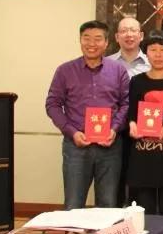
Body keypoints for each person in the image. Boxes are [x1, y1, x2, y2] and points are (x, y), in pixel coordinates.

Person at [46, 20, 130, 209]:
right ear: (80, 40)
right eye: (86, 38)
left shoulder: (118, 70)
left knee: (108, 204)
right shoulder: (65, 71)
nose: (92, 43)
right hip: (76, 146)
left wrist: (115, 129)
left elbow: (126, 104)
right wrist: (72, 132)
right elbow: (52, 104)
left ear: (106, 43)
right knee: (73, 204)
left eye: (98, 39)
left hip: (110, 147)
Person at [126, 30, 163, 216]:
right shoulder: (136, 81)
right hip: (144, 156)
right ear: (146, 52)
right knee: (145, 210)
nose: (158, 55)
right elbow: (131, 113)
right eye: (153, 50)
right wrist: (132, 125)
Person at [108, 16, 150, 207]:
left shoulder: (152, 63)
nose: (129, 35)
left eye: (133, 30)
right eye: (124, 31)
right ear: (117, 37)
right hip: (113, 130)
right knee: (114, 180)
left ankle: (137, 219)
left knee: (139, 180)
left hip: (143, 131)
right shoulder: (106, 63)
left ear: (141, 35)